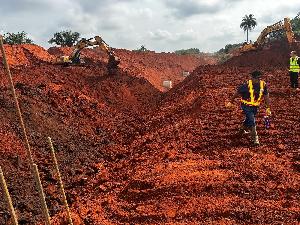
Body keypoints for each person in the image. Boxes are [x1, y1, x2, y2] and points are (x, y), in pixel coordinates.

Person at [226, 71, 271, 146]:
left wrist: (268, 107)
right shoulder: (246, 85)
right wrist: (231, 102)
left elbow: (266, 96)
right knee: (252, 120)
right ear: (252, 78)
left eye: (259, 78)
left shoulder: (263, 85)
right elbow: (237, 93)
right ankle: (255, 139)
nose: (258, 80)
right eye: (256, 78)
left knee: (248, 119)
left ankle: (241, 131)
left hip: (255, 107)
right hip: (246, 106)